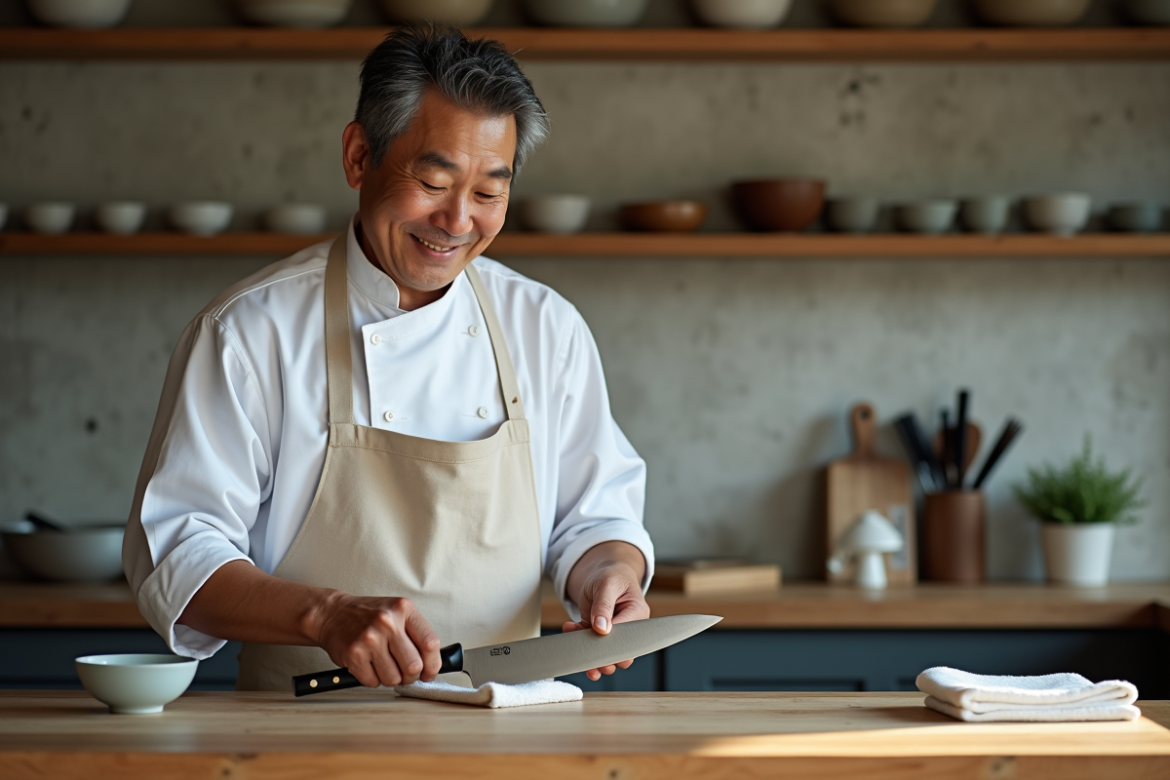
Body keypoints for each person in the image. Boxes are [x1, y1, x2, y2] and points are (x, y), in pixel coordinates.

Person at [122, 26, 654, 692]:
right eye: (433, 181)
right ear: (357, 156)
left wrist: (609, 576)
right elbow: (175, 554)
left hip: (506, 738)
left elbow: (596, 517)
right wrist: (323, 614)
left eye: (489, 193)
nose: (458, 221)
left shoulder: (546, 329)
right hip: (296, 741)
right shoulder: (248, 333)